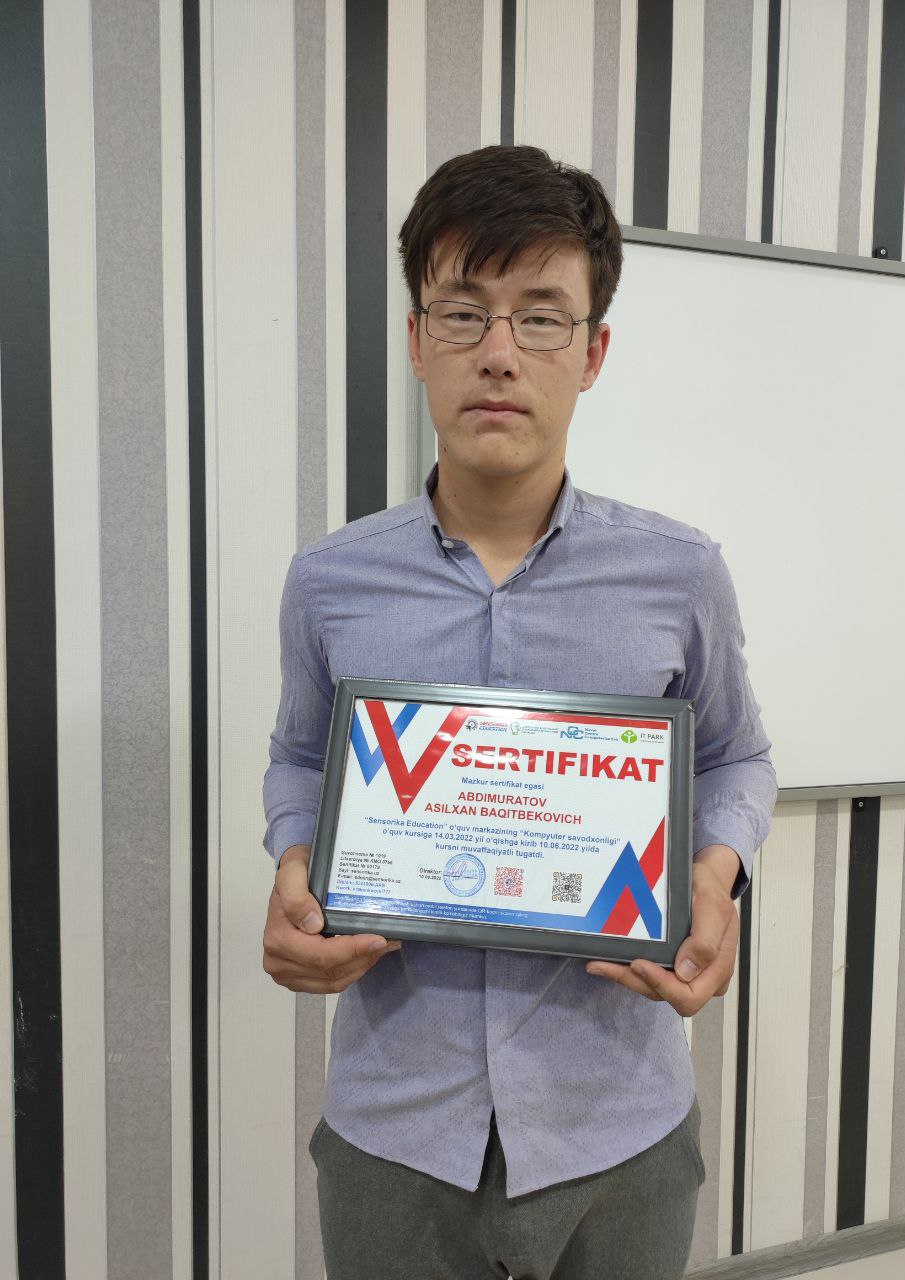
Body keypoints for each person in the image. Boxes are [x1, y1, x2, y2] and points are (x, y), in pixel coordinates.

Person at [262, 144, 777, 1280]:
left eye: (541, 317)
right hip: (397, 1123)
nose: (498, 352)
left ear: (592, 353)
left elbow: (738, 755)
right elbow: (300, 754)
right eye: (463, 312)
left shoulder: (678, 573)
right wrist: (296, 862)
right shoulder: (329, 579)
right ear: (416, 340)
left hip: (618, 1121)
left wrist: (712, 876)